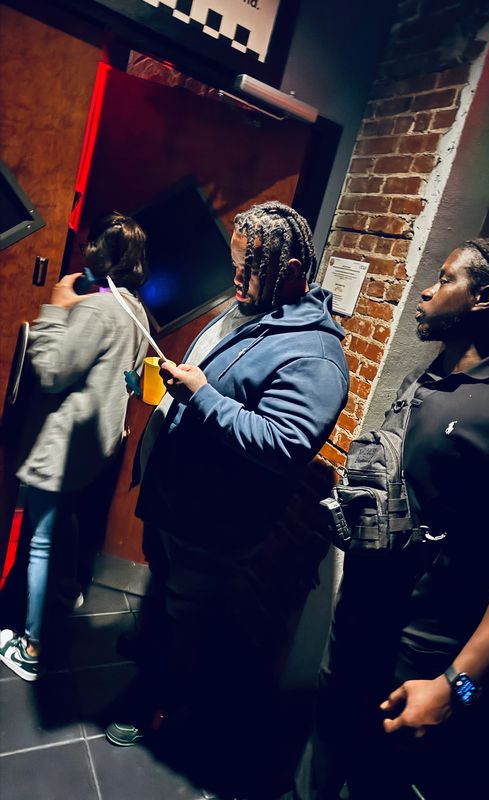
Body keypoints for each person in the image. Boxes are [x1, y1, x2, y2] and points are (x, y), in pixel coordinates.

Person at [292, 239, 489, 799]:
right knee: (324, 752)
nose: (427, 289)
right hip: (359, 623)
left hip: (424, 656)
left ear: (485, 298)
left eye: (445, 279)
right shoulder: (433, 374)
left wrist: (458, 688)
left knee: (378, 782)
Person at [105, 202, 349, 792]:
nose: (236, 278)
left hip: (213, 519)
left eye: (249, 267)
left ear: (291, 269)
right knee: (166, 591)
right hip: (176, 499)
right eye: (234, 263)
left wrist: (203, 396)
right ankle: (151, 654)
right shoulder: (249, 313)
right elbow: (203, 377)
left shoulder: (316, 356)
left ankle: (159, 703)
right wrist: (161, 383)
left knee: (190, 616)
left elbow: (284, 441)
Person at [0, 212, 149, 681]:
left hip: (62, 446)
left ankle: (31, 647)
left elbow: (50, 370)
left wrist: (56, 308)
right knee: (62, 528)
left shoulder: (95, 308)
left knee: (39, 541)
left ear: (100, 255)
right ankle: (63, 596)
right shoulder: (135, 310)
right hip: (95, 448)